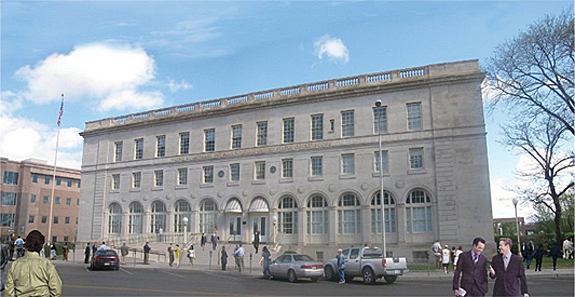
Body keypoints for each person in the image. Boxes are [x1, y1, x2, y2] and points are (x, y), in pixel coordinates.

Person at [4, 230, 62, 297]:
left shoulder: (15, 265)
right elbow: (56, 290)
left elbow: (9, 292)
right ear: (40, 246)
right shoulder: (46, 264)